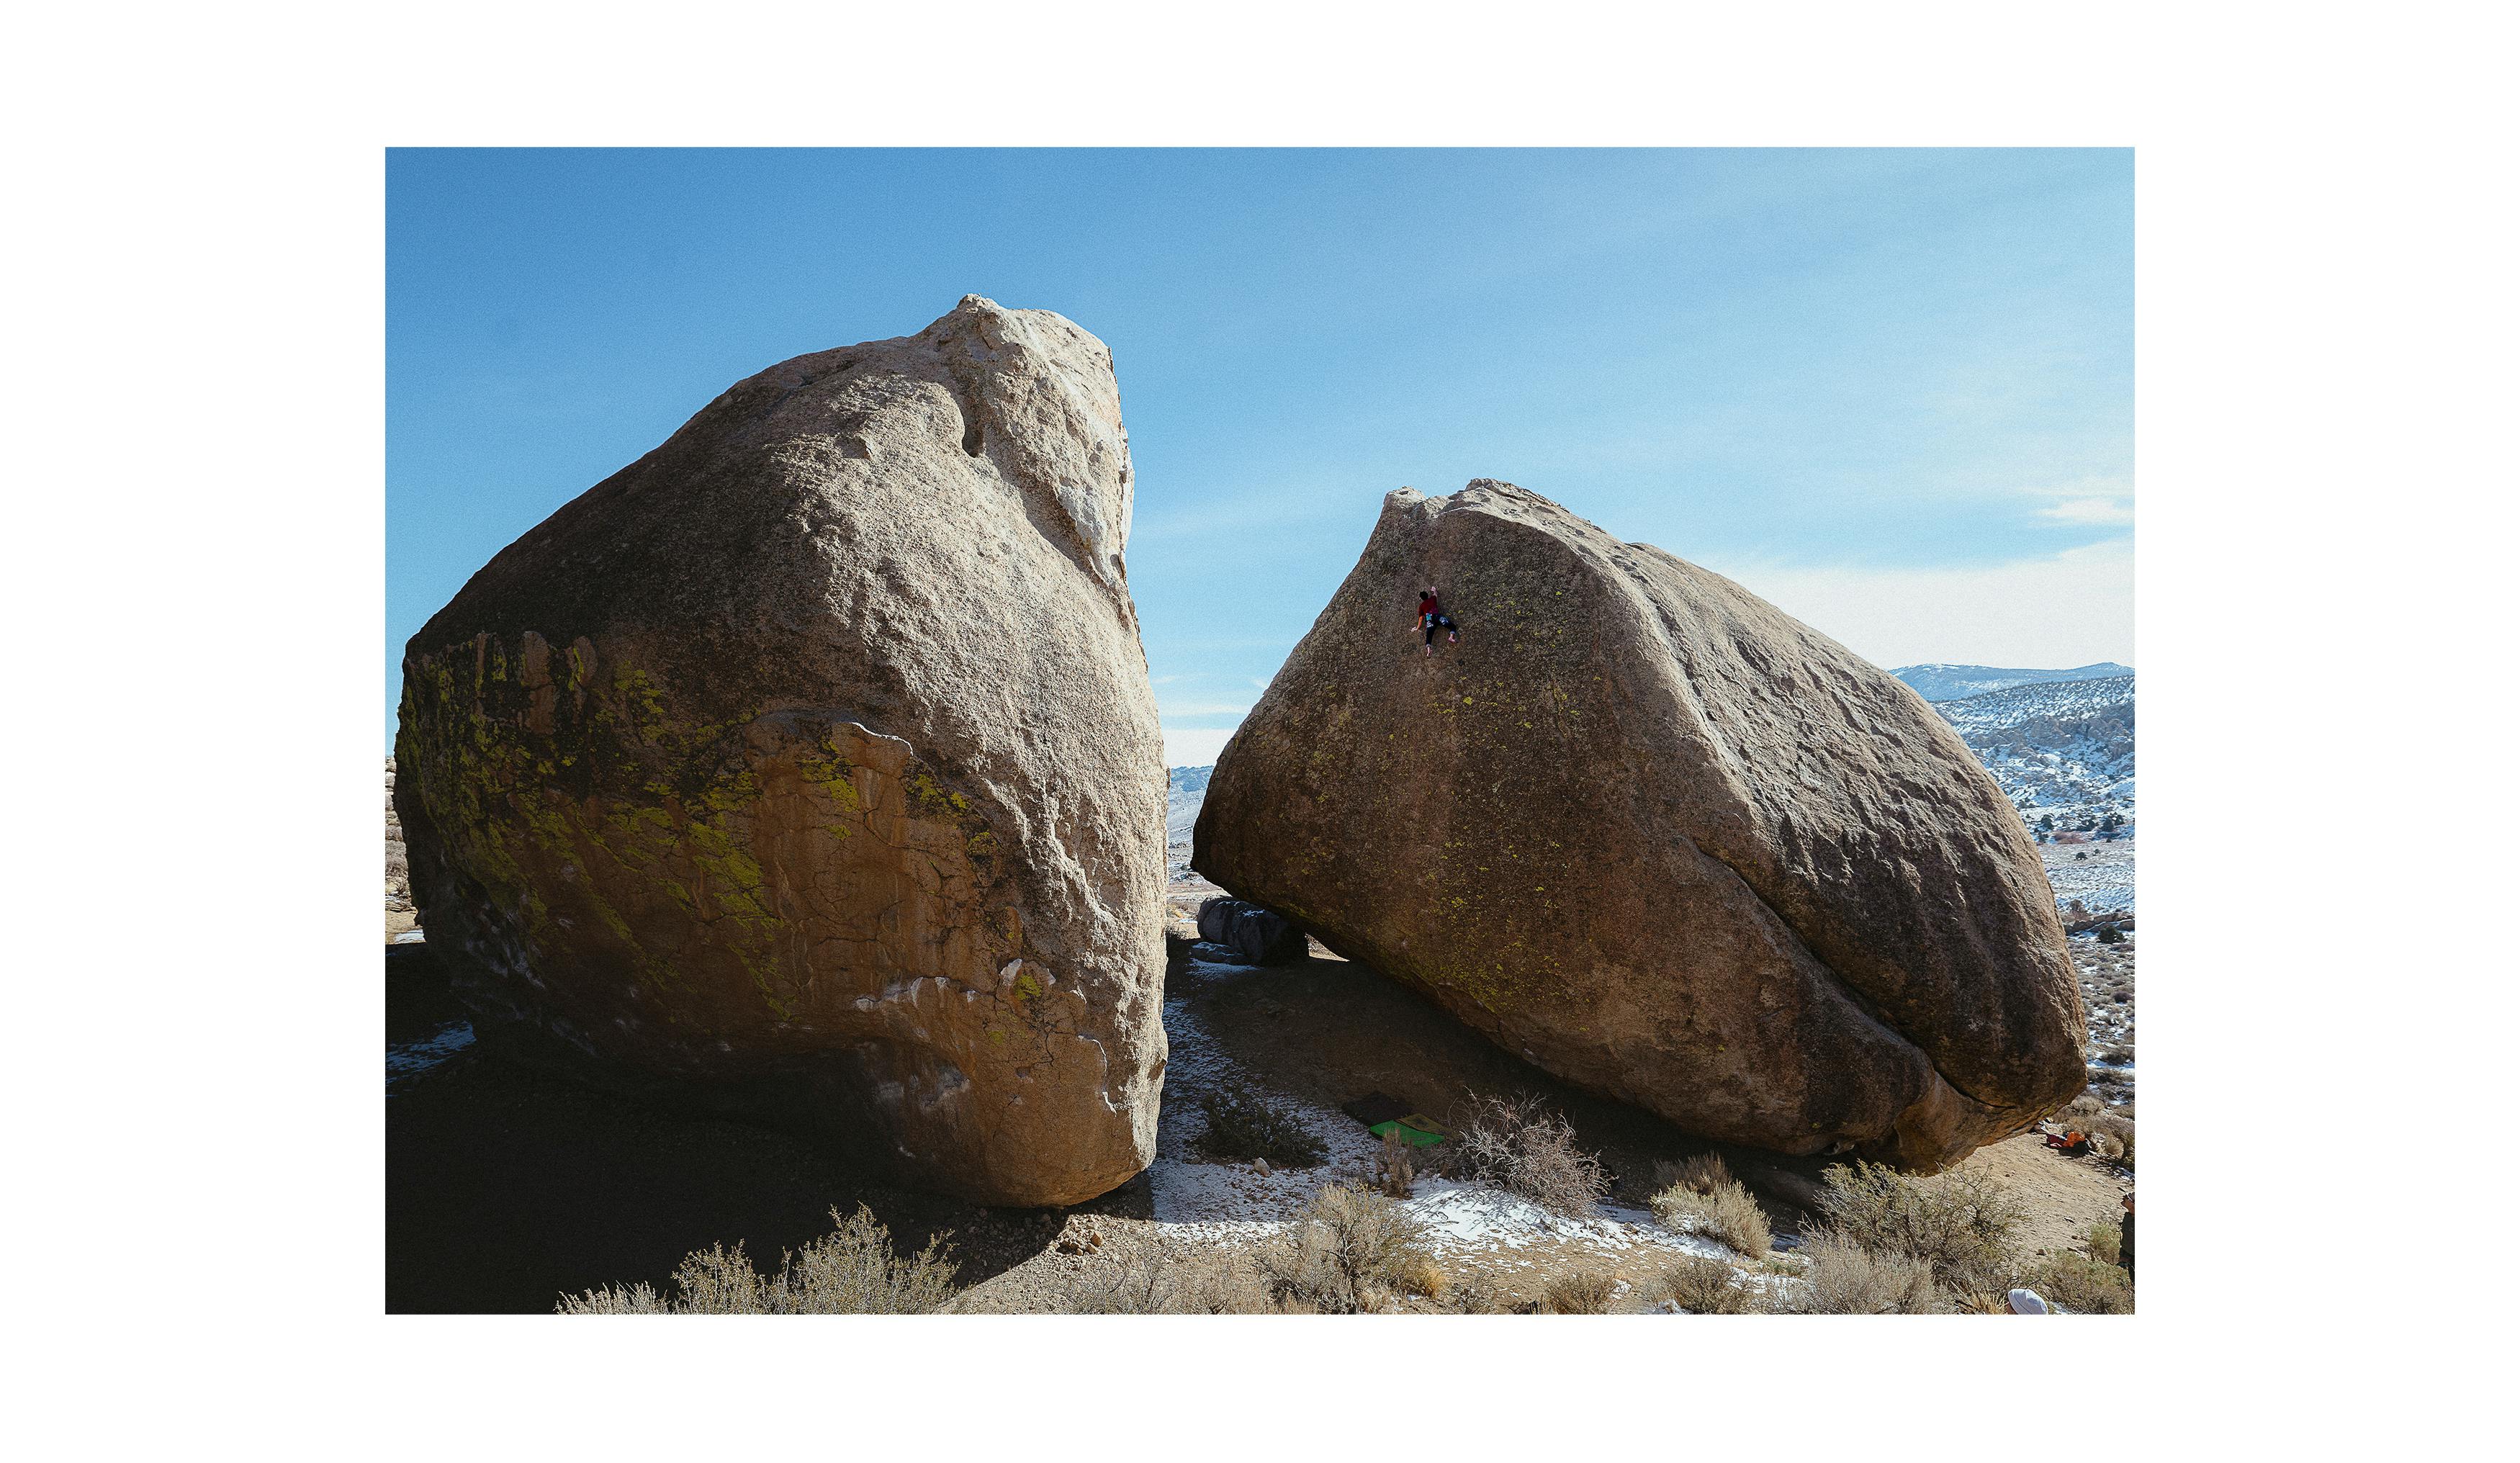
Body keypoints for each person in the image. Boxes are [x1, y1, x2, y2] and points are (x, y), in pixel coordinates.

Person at [1415, 586, 1458, 656]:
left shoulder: (1421, 606)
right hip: (1437, 617)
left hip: (1429, 620)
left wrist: (1417, 628)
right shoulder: (1432, 599)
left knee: (1429, 636)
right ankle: (1451, 637)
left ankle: (1428, 650)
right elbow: (1435, 594)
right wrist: (1434, 590)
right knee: (1452, 626)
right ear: (1427, 596)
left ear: (1422, 599)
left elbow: (1421, 618)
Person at [2120, 1190, 2135, 1284]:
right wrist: (2123, 1255)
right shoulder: (2129, 1217)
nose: (2124, 1198)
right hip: (2130, 1255)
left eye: (2128, 1199)